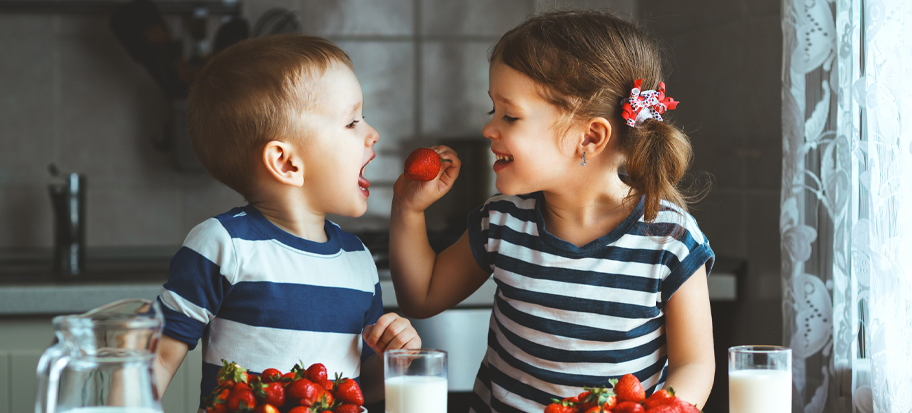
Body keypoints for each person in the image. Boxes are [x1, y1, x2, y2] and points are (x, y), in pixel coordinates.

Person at [389, 9, 715, 412]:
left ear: (590, 137)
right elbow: (420, 297)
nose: (489, 129)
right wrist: (407, 210)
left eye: (510, 115)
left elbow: (695, 364)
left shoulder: (671, 239)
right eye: (493, 111)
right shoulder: (502, 223)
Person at [153, 34, 421, 411]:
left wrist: (398, 360)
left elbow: (362, 386)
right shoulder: (222, 245)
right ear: (286, 163)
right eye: (352, 122)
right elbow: (158, 360)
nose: (372, 133)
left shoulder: (359, 260)